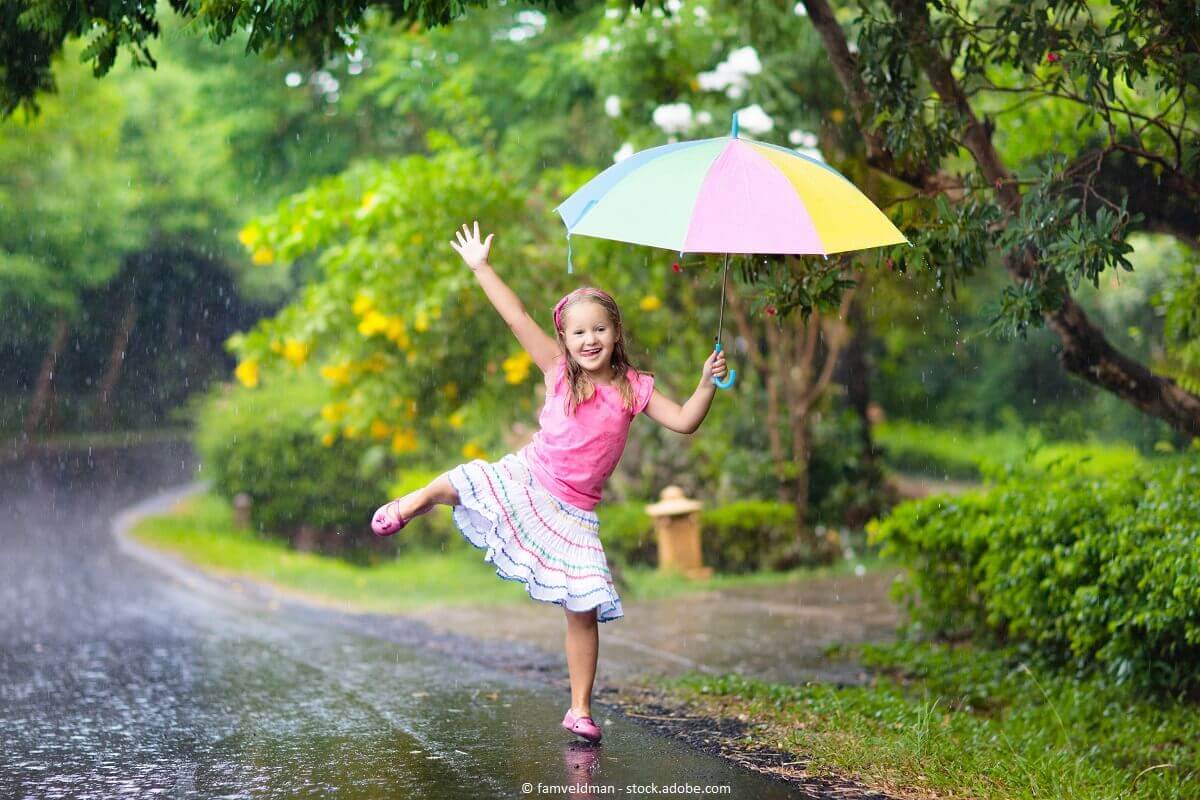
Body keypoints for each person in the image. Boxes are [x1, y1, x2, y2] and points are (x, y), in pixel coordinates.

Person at [370, 221, 728, 744]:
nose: (590, 340)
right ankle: (415, 501)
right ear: (564, 337)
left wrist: (705, 383)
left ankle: (579, 708)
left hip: (577, 513)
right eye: (579, 332)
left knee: (583, 610)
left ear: (616, 334)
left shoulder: (633, 388)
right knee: (467, 481)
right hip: (531, 478)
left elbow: (685, 421)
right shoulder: (557, 370)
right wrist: (481, 267)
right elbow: (515, 315)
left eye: (600, 330)